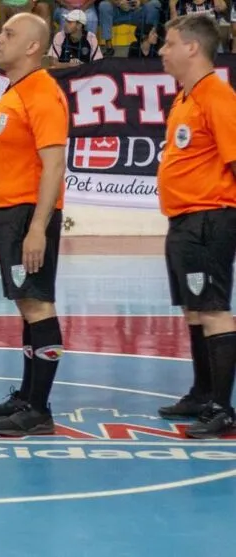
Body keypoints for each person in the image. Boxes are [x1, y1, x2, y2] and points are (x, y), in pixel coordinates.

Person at [0, 12, 68, 436]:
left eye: (9, 34)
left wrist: (37, 227)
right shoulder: (17, 90)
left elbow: (54, 166)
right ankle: (28, 398)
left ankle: (39, 409)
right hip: (11, 213)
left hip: (29, 213)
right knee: (26, 305)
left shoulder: (43, 93)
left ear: (33, 46)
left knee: (37, 304)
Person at [155, 13, 236, 439]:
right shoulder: (186, 97)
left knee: (214, 310)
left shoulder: (216, 96)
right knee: (194, 308)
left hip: (210, 215)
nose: (162, 51)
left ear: (192, 47)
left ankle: (222, 407)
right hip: (184, 217)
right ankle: (202, 392)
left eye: (168, 44)